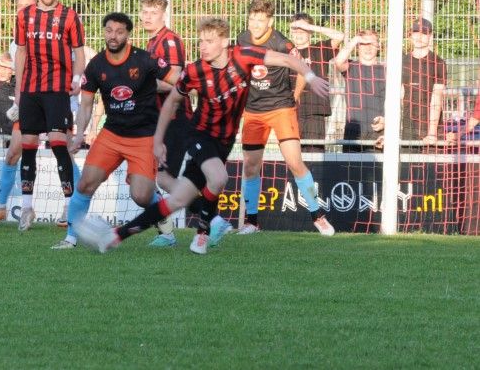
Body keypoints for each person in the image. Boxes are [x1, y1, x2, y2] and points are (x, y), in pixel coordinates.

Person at [77, 16, 330, 255]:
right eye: (200, 41)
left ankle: (114, 236)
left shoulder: (244, 56)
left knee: (178, 199)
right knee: (218, 177)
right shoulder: (194, 71)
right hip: (200, 135)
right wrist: (158, 141)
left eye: (209, 41)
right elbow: (171, 102)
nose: (203, 46)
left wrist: (310, 77)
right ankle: (203, 231)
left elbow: (288, 60)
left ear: (224, 42)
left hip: (225, 141)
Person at [57, 12, 169, 249]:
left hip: (144, 136)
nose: (113, 36)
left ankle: (164, 221)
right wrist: (79, 135)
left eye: (119, 31)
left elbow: (178, 79)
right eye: (109, 30)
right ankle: (70, 238)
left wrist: (158, 87)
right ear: (104, 32)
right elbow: (86, 104)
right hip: (112, 134)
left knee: (141, 196)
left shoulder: (144, 60)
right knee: (85, 184)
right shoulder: (96, 65)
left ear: (128, 34)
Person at [236, 0, 333, 236]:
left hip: (281, 108)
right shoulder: (241, 39)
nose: (255, 24)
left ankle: (317, 216)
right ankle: (251, 221)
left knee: (294, 162)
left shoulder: (282, 42)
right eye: (252, 19)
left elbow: (299, 66)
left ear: (269, 22)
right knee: (250, 166)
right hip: (253, 111)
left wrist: (295, 96)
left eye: (260, 20)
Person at [10, 0, 85, 231]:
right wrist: (19, 89)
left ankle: (69, 206)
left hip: (57, 89)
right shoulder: (24, 15)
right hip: (30, 89)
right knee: (28, 144)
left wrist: (77, 79)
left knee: (58, 143)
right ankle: (26, 208)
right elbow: (20, 52)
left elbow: (79, 52)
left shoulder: (69, 16)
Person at [0, 0, 37, 227]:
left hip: (52, 99)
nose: (23, 10)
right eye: (20, 6)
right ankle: (1, 207)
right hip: (28, 103)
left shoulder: (49, 36)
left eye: (28, 6)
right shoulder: (15, 43)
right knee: (13, 153)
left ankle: (70, 208)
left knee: (62, 149)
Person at [139, 0, 185, 247]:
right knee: (149, 177)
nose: (147, 17)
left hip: (174, 118)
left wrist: (139, 85)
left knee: (163, 178)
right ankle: (166, 231)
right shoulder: (151, 43)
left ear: (163, 14)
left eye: (153, 13)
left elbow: (176, 81)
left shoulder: (170, 41)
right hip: (156, 121)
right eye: (145, 12)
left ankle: (208, 214)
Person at [288, 13, 343, 152]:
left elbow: (339, 36)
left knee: (314, 155)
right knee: (292, 155)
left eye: (303, 29)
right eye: (295, 30)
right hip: (290, 110)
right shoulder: (285, 53)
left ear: (310, 31)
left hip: (314, 110)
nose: (298, 33)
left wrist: (310, 26)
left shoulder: (319, 49)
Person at [334, 29, 386, 152]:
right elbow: (338, 61)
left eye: (372, 44)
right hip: (353, 130)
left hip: (378, 131)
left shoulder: (386, 71)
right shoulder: (351, 67)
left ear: (378, 46)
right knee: (350, 164)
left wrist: (386, 122)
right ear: (357, 47)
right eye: (364, 44)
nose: (368, 48)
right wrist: (356, 39)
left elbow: (394, 101)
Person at [403, 18, 446, 146]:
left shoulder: (438, 62)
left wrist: (432, 133)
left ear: (430, 36)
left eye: (424, 33)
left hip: (431, 127)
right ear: (410, 35)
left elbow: (437, 98)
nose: (419, 37)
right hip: (408, 126)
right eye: (416, 32)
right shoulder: (402, 61)